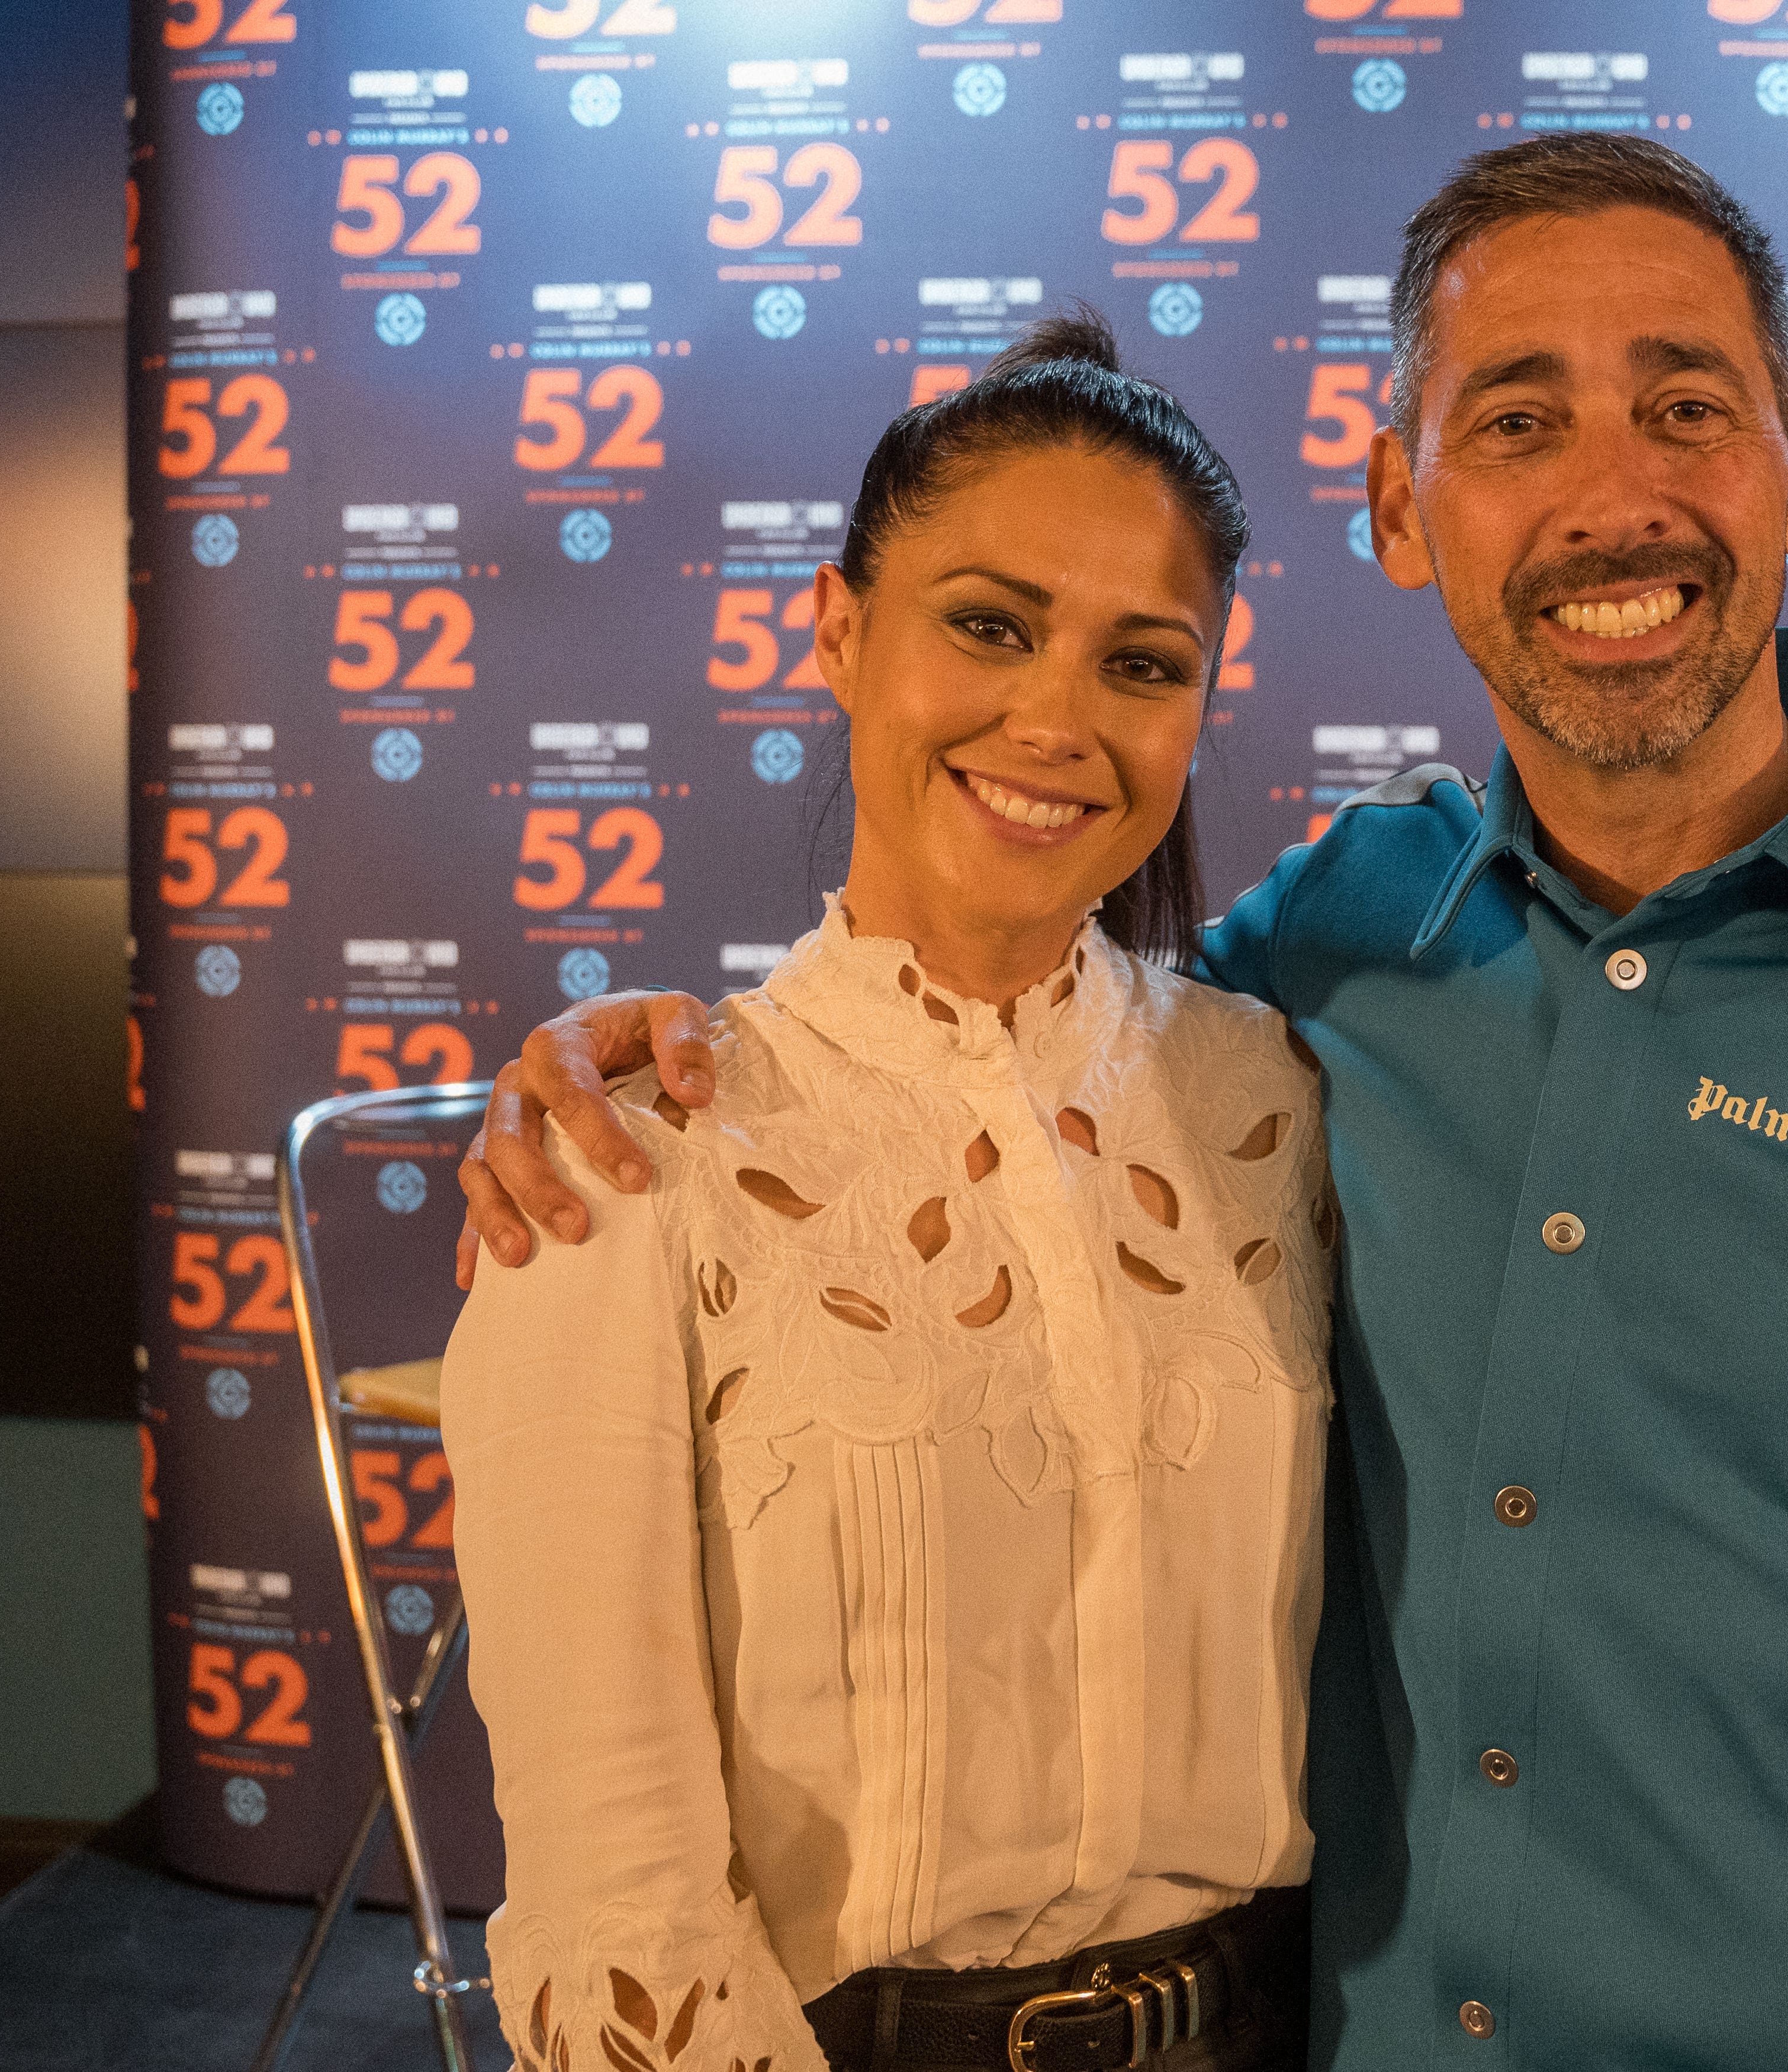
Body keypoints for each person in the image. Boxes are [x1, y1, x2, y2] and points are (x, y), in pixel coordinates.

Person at [463, 136, 1788, 2071]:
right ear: (1400, 506)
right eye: (1515, 422)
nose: (1609, 494)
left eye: (1683, 406)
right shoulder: (1321, 962)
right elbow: (987, 1033)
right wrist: (671, 1062)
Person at [443, 312, 1333, 2072]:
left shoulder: (1281, 1105)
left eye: (1141, 664)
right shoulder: (633, 1152)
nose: (1056, 716)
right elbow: (613, 1869)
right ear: (840, 631)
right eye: (988, 626)